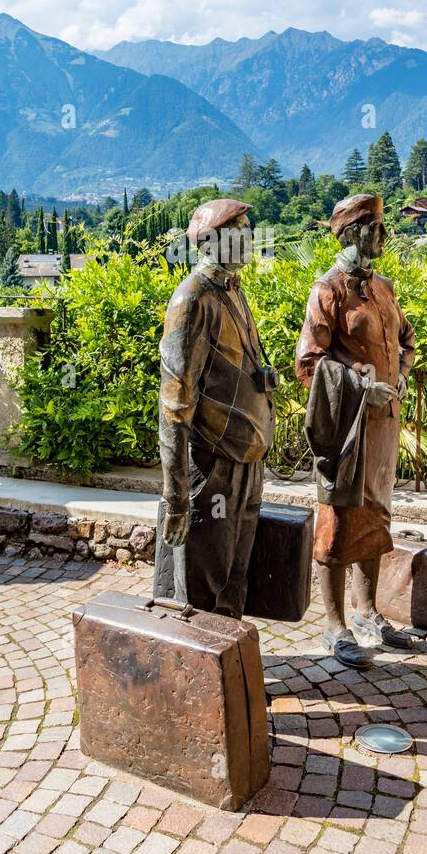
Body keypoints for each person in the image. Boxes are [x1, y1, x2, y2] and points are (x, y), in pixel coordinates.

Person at [295, 193, 416, 668]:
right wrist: (363, 387)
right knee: (338, 518)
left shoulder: (383, 288)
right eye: (375, 227)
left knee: (376, 514)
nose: (384, 235)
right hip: (345, 428)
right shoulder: (328, 290)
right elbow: (310, 362)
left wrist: (401, 373)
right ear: (352, 234)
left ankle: (368, 613)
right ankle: (334, 624)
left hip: (384, 429)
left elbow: (406, 340)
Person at [153, 198, 276, 618]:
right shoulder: (191, 300)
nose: (250, 239)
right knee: (203, 588)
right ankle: (199, 675)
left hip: (245, 461)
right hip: (211, 465)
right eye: (240, 232)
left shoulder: (231, 292)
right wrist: (177, 498)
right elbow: (174, 404)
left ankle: (230, 671)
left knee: (234, 578)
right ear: (212, 242)